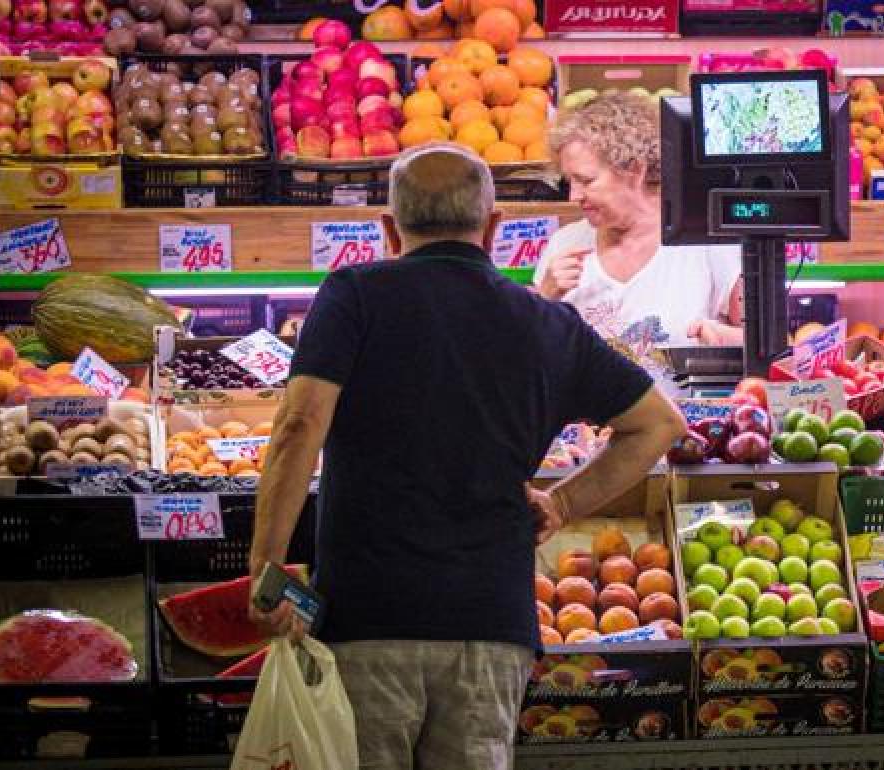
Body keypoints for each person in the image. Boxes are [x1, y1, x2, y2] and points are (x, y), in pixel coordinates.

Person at [247, 144, 686, 770]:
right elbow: (658, 425)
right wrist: (564, 504)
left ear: (389, 230)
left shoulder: (354, 294)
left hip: (369, 617)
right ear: (493, 227)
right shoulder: (548, 323)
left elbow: (299, 424)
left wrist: (266, 566)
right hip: (491, 625)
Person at [535, 92, 745, 363]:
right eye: (569, 182)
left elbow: (769, 348)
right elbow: (531, 359)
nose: (574, 196)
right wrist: (545, 301)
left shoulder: (705, 244)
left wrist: (723, 340)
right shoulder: (565, 244)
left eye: (586, 181)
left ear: (635, 170)